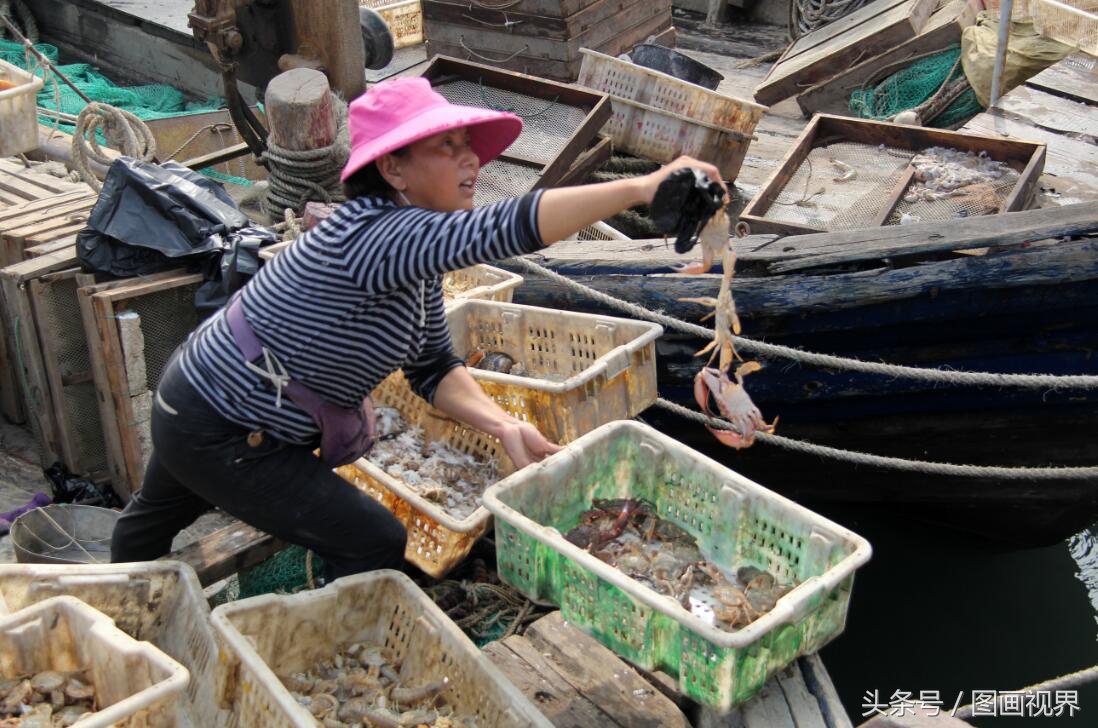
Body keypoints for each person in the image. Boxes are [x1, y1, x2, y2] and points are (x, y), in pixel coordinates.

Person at [109, 76, 724, 581]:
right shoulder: (376, 234)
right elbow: (505, 227)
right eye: (446, 146)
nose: (471, 159)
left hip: (195, 397)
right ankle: (319, 661)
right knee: (375, 541)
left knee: (146, 525)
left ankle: (113, 610)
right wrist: (643, 186)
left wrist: (505, 424)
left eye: (469, 145)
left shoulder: (415, 259)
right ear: (394, 170)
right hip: (222, 425)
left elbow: (433, 369)